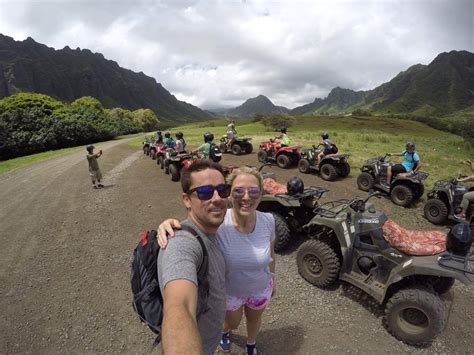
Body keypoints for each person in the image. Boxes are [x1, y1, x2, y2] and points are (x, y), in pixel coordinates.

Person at [158, 166, 276, 355]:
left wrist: (272, 278)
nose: (246, 197)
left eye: (254, 191)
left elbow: (271, 254)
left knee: (254, 320)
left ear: (261, 194)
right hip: (230, 292)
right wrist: (171, 225)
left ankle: (251, 344)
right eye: (238, 190)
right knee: (231, 323)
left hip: (260, 288)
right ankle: (225, 332)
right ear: (231, 195)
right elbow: (179, 304)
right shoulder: (218, 223)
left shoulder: (268, 221)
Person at [157, 160, 230, 355]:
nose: (217, 198)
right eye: (205, 192)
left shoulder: (215, 228)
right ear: (187, 200)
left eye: (223, 190)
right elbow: (179, 304)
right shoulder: (181, 243)